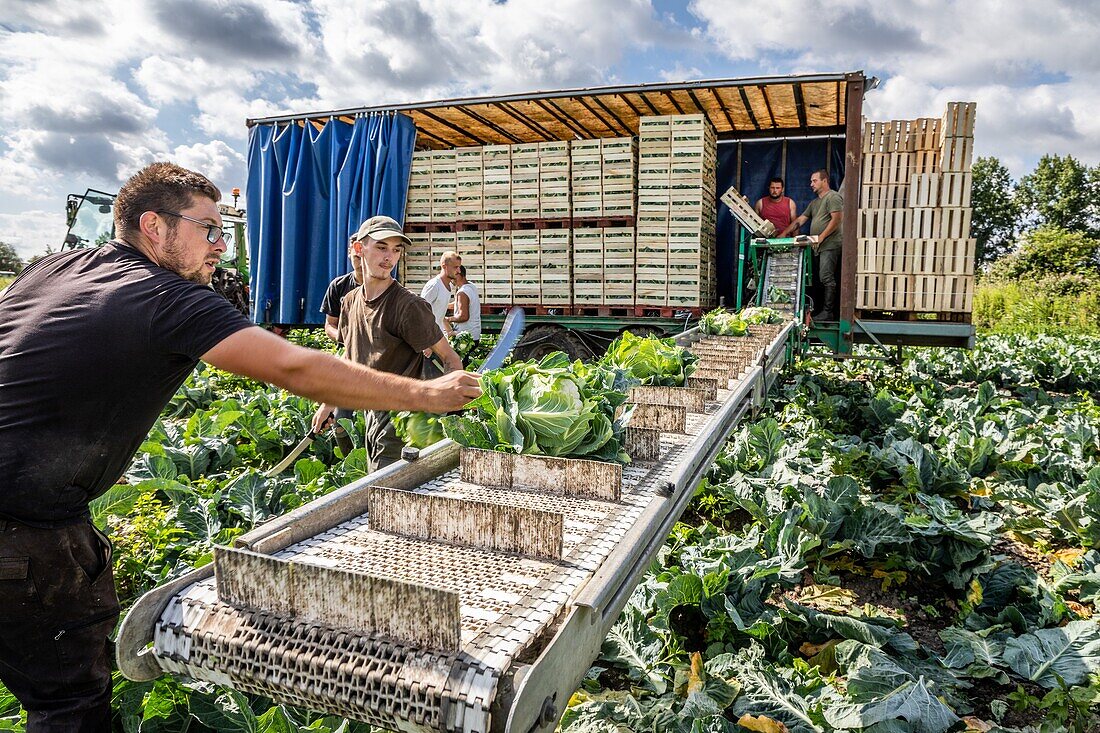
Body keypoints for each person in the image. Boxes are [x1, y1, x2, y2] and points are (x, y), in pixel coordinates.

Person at [0, 163, 480, 732]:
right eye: (208, 230)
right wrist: (428, 396)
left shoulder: (60, 265)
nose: (222, 247)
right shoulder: (168, 298)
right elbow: (293, 365)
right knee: (67, 703)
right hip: (22, 529)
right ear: (153, 226)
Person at [312, 216, 463, 472]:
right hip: (372, 413)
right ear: (359, 249)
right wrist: (329, 403)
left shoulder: (408, 306)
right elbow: (351, 359)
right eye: (382, 247)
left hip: (403, 419)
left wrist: (447, 407)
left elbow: (450, 359)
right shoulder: (349, 302)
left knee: (385, 492)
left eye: (396, 250)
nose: (389, 258)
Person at [780, 169, 843, 320]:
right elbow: (800, 220)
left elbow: (837, 219)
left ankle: (828, 312)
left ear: (825, 181)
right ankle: (818, 311)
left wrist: (821, 237)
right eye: (811, 181)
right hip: (818, 246)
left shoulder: (833, 197)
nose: (811, 184)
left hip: (830, 244)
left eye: (814, 181)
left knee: (826, 276)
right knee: (817, 278)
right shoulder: (815, 203)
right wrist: (784, 233)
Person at [320, 238, 363, 344]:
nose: (361, 263)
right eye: (357, 257)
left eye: (365, 258)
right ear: (349, 252)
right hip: (346, 351)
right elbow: (330, 324)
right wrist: (346, 340)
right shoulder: (338, 285)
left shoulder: (385, 286)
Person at [420, 250, 461, 334]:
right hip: (427, 337)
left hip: (438, 335)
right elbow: (420, 313)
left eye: (459, 267)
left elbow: (439, 315)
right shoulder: (434, 285)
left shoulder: (449, 286)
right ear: (444, 266)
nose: (459, 271)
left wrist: (450, 331)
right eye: (455, 267)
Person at [444, 265, 482, 342]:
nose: (450, 279)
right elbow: (460, 303)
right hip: (474, 335)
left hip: (466, 339)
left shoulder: (462, 293)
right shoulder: (471, 286)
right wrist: (444, 306)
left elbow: (464, 317)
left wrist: (448, 319)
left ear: (457, 274)